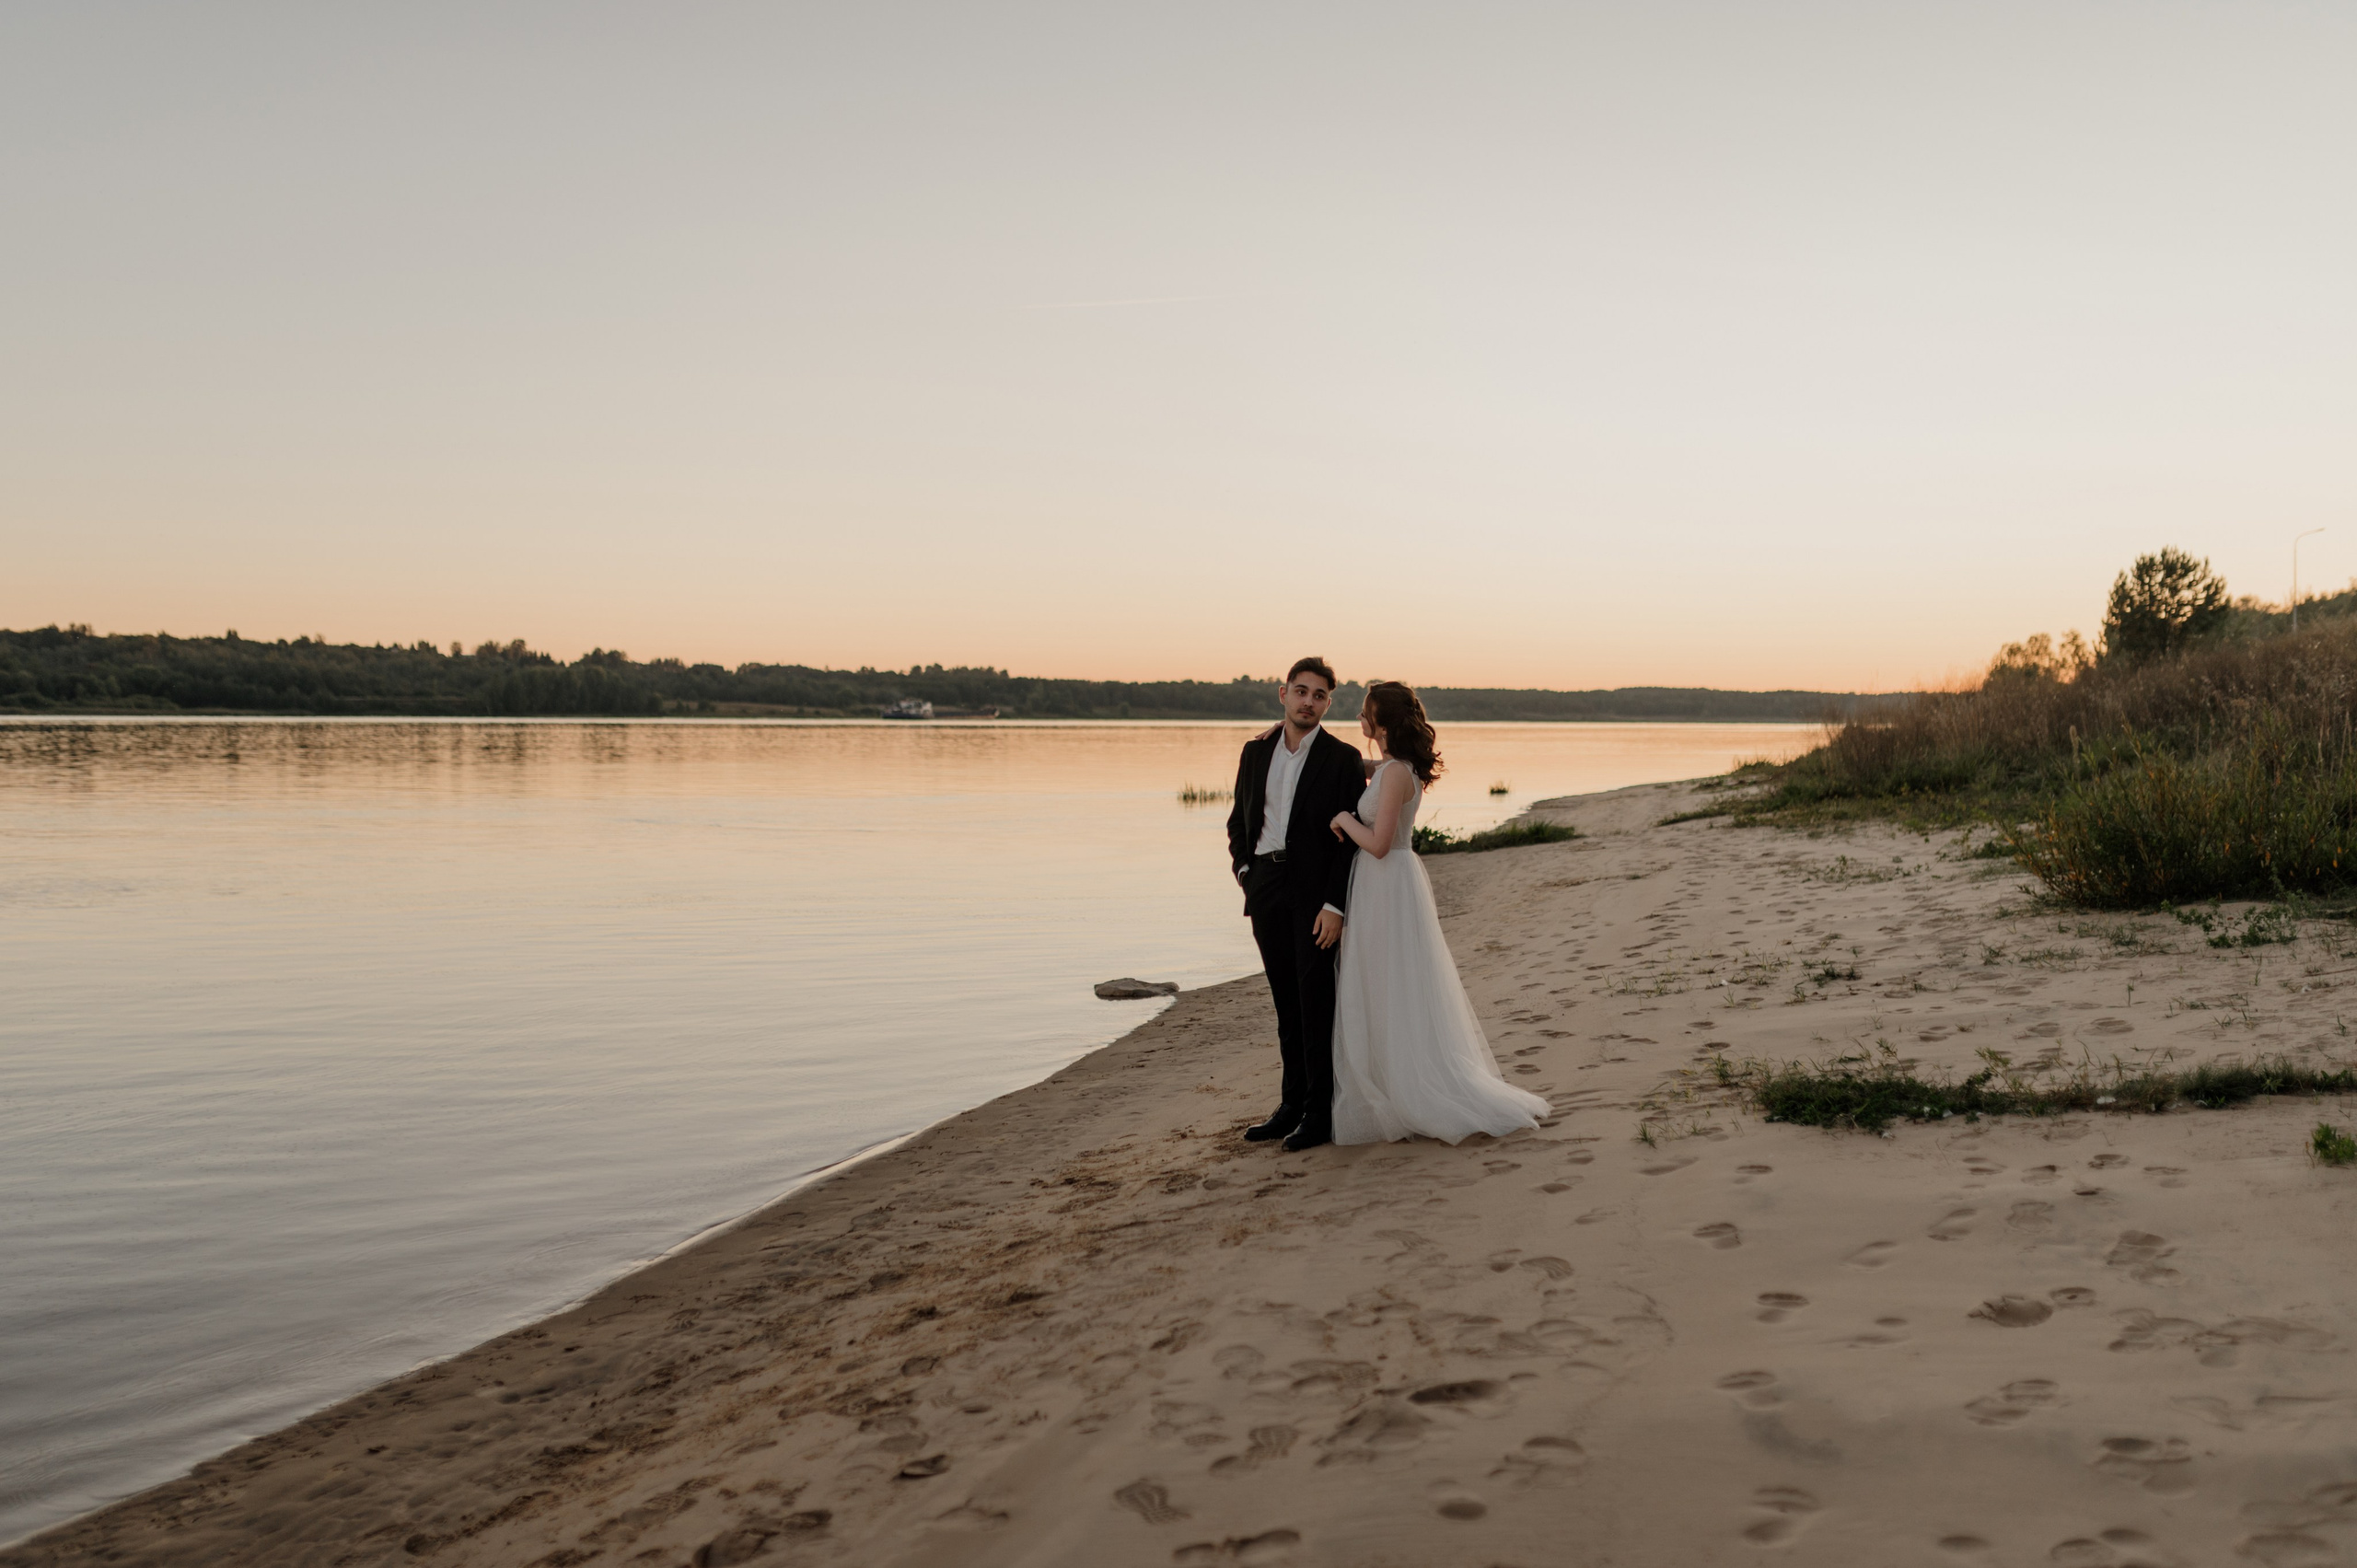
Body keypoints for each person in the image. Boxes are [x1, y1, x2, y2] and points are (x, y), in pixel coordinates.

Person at [1325, 681, 1549, 1145]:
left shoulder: (1391, 776)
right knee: (1392, 982)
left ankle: (1404, 1089)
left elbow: (1380, 845)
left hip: (1385, 881)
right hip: (1390, 885)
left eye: (1365, 713)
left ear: (1380, 723)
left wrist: (1344, 820)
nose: (1360, 720)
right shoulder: (1394, 768)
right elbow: (1368, 770)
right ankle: (1393, 1076)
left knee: (1388, 982)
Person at [1224, 658, 1368, 1152]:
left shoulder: (1342, 758)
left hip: (1314, 893)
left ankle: (1318, 1113)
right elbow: (1238, 819)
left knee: (1315, 1002)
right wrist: (1246, 871)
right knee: (1285, 1000)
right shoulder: (1254, 751)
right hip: (1265, 884)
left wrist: (1335, 904)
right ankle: (1289, 1106)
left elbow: (1349, 840)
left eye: (1319, 695)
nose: (1308, 701)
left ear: (1329, 703)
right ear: (1282, 694)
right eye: (1301, 691)